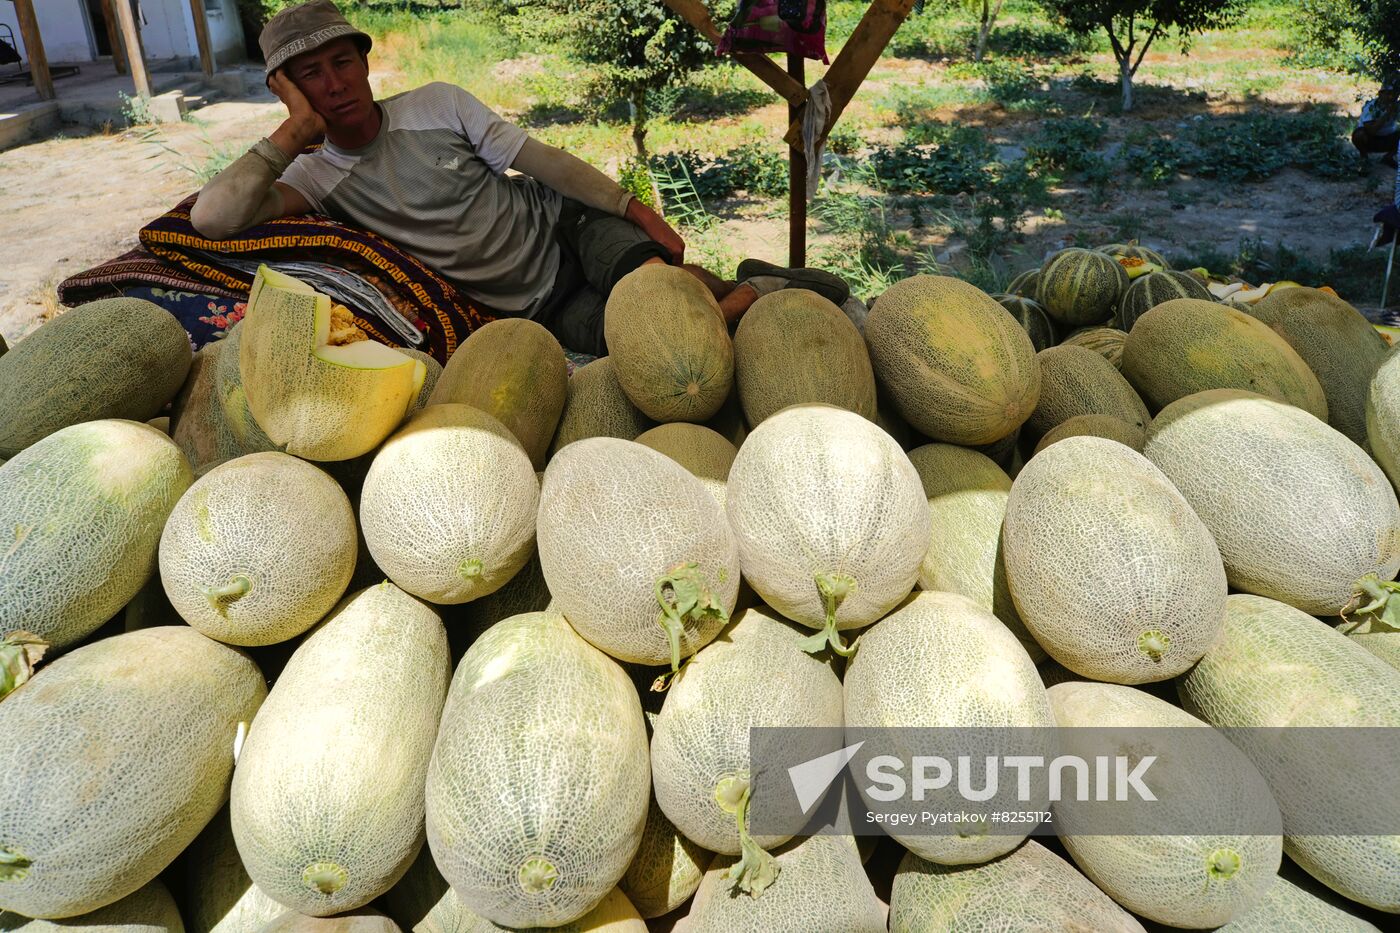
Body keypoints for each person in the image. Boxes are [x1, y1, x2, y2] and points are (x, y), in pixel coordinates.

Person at [191, 0, 847, 357]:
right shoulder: (312, 175)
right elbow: (212, 219)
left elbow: (543, 162)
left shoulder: (436, 103)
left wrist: (637, 210)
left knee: (652, 286)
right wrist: (292, 131)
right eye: (311, 76)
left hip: (569, 226)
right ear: (287, 90)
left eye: (344, 62)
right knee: (655, 349)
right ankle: (764, 284)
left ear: (366, 63)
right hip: (540, 306)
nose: (336, 85)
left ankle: (757, 289)